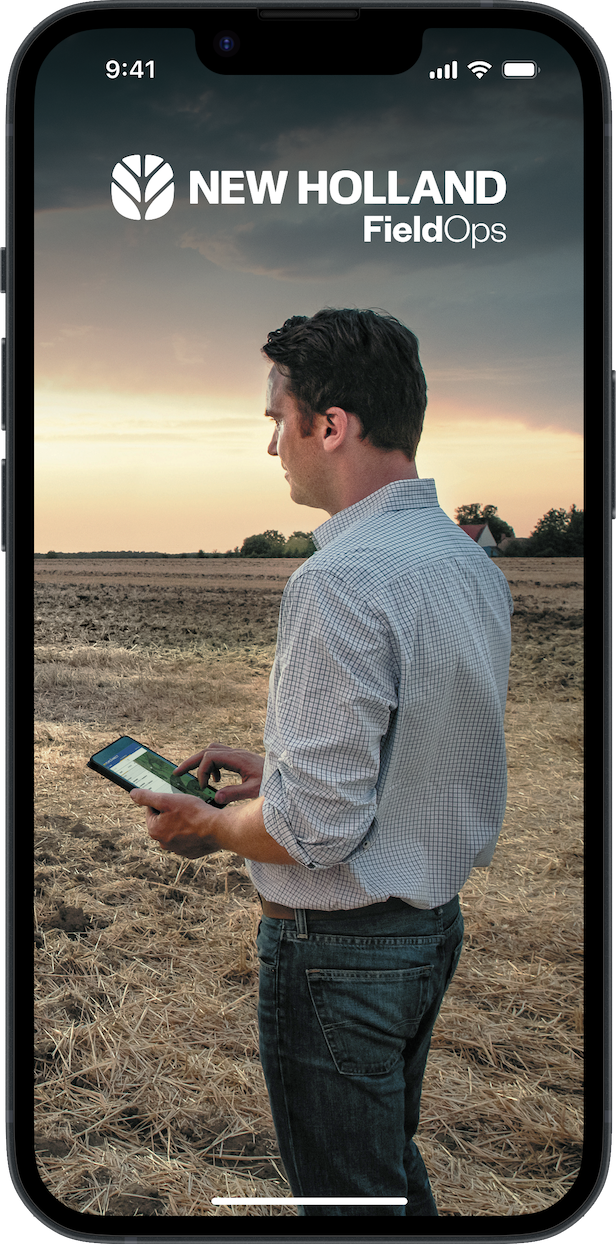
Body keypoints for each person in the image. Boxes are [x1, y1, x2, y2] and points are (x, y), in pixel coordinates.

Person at [130, 308, 513, 1217]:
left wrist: (210, 823)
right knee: (386, 1176)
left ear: (330, 424)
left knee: (348, 1204)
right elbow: (415, 752)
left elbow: (310, 834)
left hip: (338, 956)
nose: (273, 445)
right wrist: (285, 772)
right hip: (427, 932)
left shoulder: (341, 579)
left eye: (278, 418)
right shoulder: (464, 564)